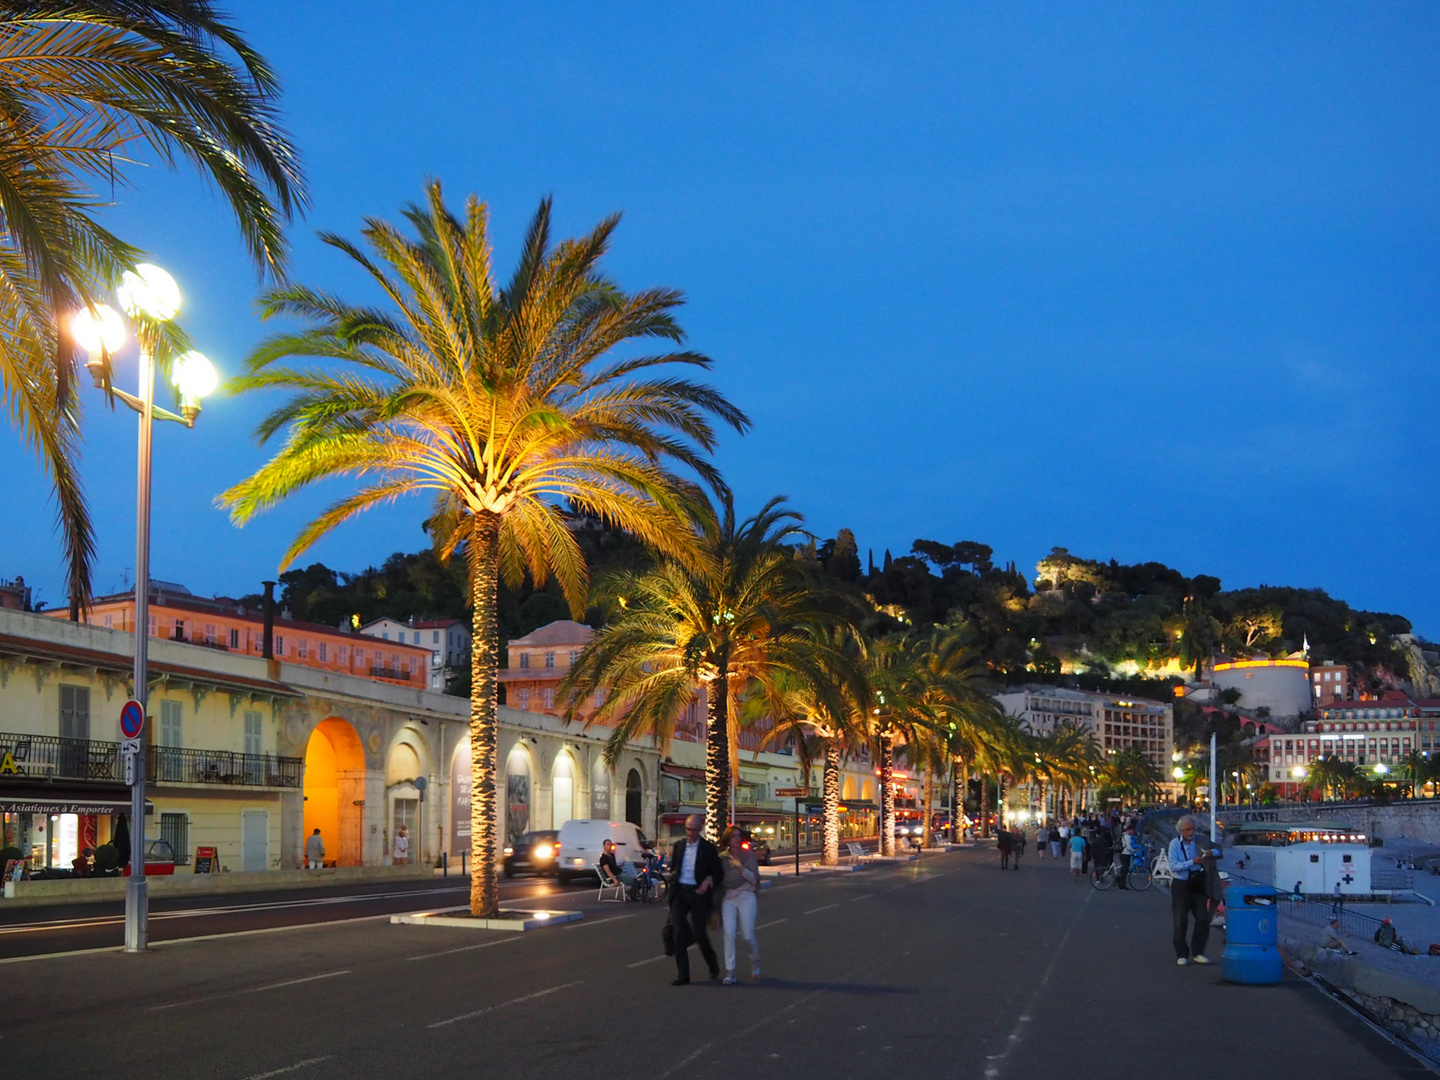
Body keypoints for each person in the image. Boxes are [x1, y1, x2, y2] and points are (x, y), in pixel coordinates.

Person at [668, 814, 722, 985]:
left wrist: (709, 880)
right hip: (680, 894)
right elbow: (674, 867)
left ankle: (712, 963)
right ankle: (683, 974)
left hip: (698, 894)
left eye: (693, 829)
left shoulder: (708, 849)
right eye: (687, 829)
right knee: (677, 933)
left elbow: (718, 872)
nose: (690, 833)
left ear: (700, 829)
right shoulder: (679, 846)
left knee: (700, 934)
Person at [1168, 815, 1216, 965]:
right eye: (1188, 829)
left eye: (1193, 829)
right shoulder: (1175, 844)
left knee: (1203, 918)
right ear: (1181, 830)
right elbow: (1173, 866)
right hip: (1181, 885)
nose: (1191, 832)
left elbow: (1218, 850)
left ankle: (1198, 951)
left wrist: (1210, 853)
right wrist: (1191, 862)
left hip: (1198, 883)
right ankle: (1182, 954)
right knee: (1180, 920)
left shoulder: (1200, 841)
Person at [718, 826, 761, 984]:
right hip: (729, 897)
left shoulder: (747, 855)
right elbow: (719, 878)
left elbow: (754, 879)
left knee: (747, 935)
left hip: (746, 895)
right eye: (733, 836)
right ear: (728, 839)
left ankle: (755, 960)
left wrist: (740, 867)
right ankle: (730, 972)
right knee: (728, 935)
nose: (736, 839)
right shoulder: (722, 858)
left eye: (738, 836)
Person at [1118, 823, 1140, 890]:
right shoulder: (1127, 836)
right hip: (1126, 854)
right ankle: (1122, 885)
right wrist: (1133, 851)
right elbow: (1128, 847)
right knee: (1125, 871)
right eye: (1133, 831)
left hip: (1122, 853)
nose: (1133, 832)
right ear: (1130, 830)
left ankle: (1120, 883)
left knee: (1123, 870)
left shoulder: (1123, 835)